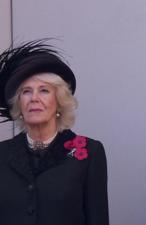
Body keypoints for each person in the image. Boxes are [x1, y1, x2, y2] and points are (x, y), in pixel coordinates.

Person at [0, 40, 109, 225]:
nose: (34, 98)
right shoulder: (2, 154)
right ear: (19, 104)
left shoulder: (90, 153)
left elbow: (98, 219)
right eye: (26, 91)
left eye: (44, 90)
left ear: (59, 101)